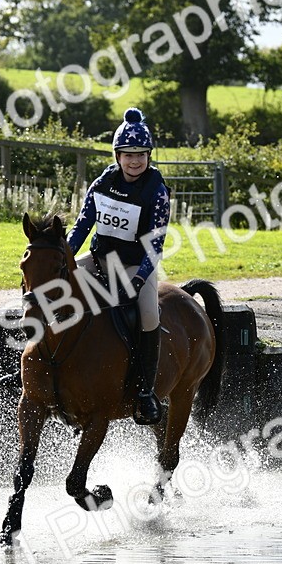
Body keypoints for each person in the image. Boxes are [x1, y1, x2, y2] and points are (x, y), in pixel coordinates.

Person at [66, 107, 171, 425]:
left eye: (141, 154)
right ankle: (36, 366)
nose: (134, 160)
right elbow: (82, 227)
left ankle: (145, 392)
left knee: (150, 316)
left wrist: (140, 279)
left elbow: (156, 243)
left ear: (149, 155)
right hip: (100, 261)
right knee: (52, 289)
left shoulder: (157, 191)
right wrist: (65, 259)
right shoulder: (102, 183)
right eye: (128, 154)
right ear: (117, 155)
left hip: (136, 265)